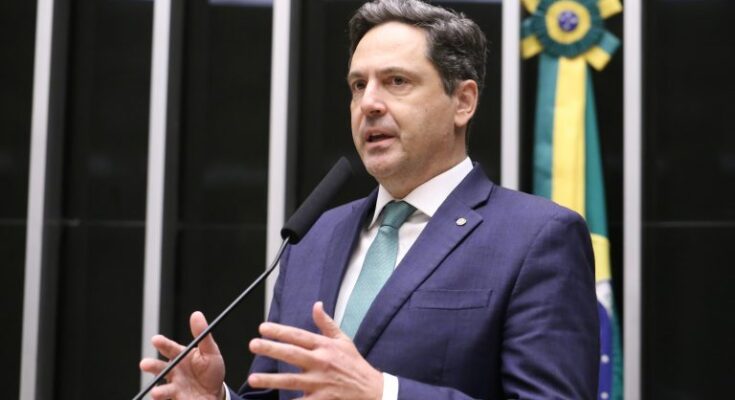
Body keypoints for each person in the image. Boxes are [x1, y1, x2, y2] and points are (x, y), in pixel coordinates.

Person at [140, 0, 599, 398]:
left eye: (396, 81)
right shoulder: (312, 238)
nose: (369, 104)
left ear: (463, 102)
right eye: (358, 85)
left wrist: (383, 393)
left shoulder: (536, 238)